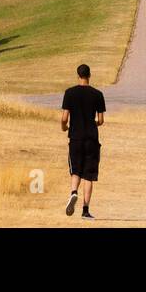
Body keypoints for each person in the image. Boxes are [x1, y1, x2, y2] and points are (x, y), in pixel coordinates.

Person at [61, 64, 106, 220]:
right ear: (90, 75)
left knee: (76, 171)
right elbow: (100, 120)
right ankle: (85, 210)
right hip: (91, 139)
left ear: (78, 75)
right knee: (89, 175)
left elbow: (64, 118)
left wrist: (64, 127)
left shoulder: (69, 93)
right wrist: (93, 124)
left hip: (75, 137)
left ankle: (74, 192)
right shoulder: (97, 94)